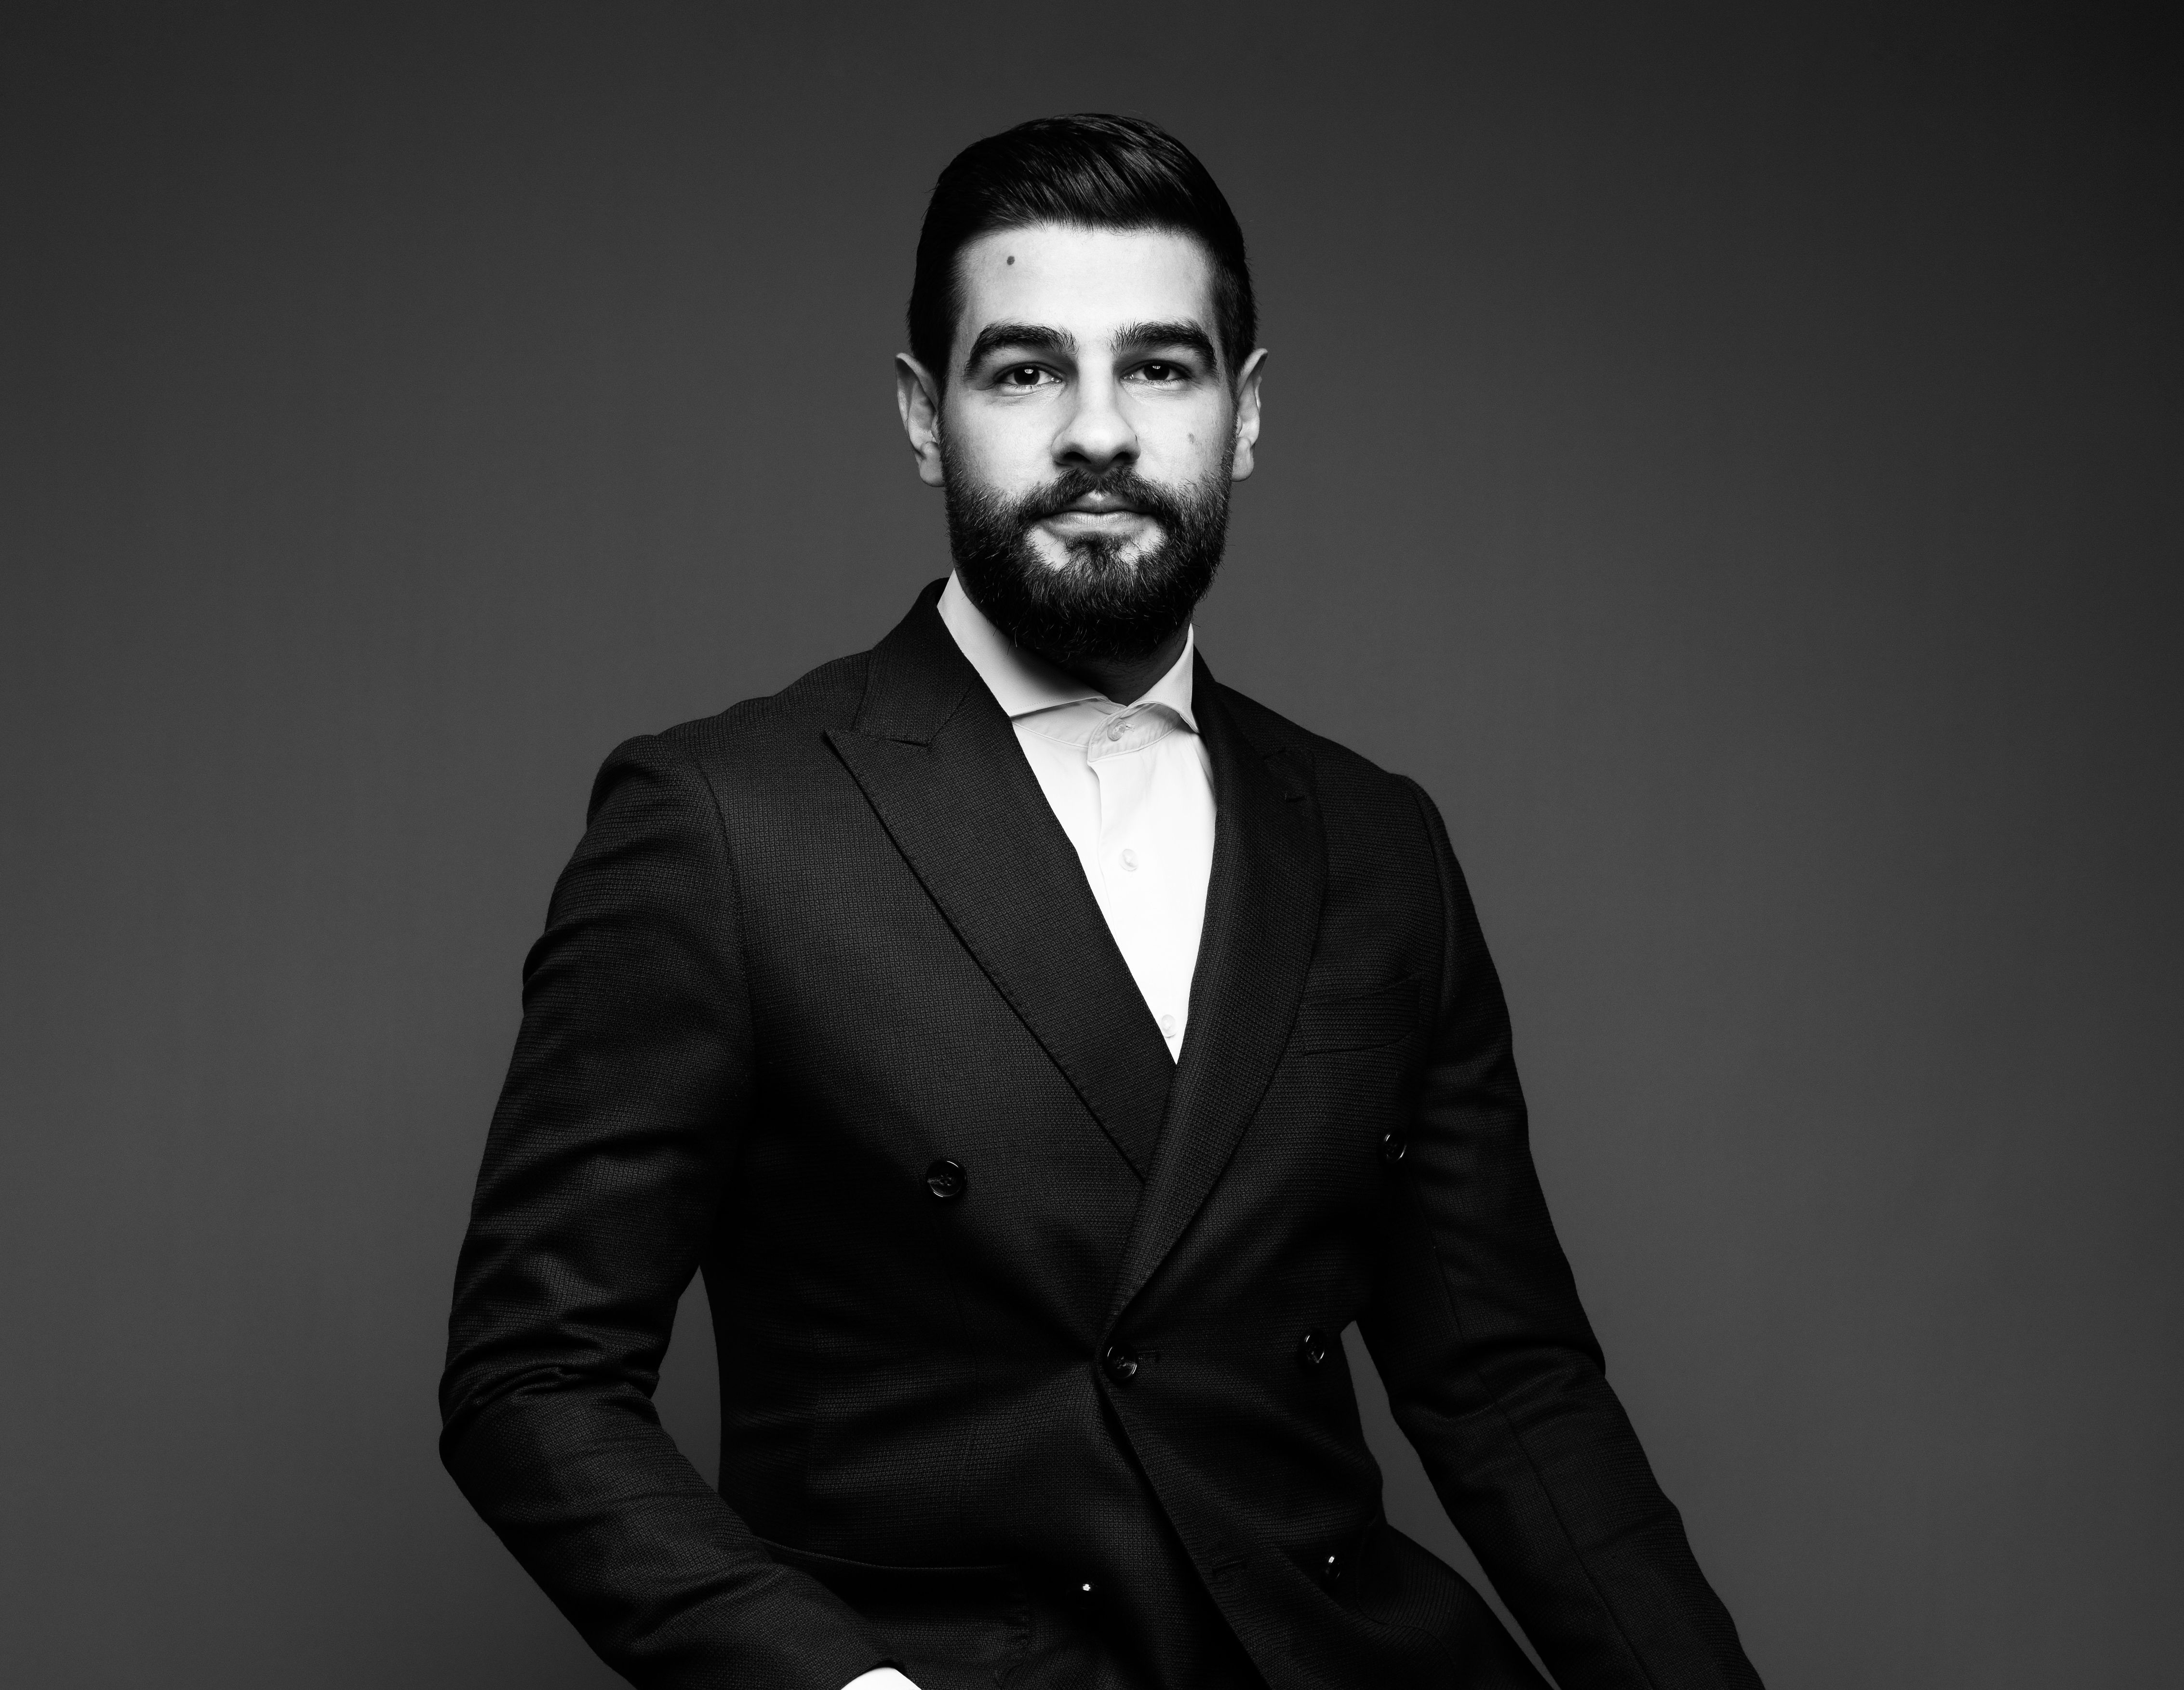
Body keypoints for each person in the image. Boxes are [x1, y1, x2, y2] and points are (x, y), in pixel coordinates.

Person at [439, 113, 1763, 1690]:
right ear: (924, 416)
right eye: (1024, 371)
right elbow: (534, 1379)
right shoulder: (726, 822)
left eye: (1158, 367)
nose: (1097, 433)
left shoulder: (1373, 839)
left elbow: (1506, 1384)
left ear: (1242, 413)